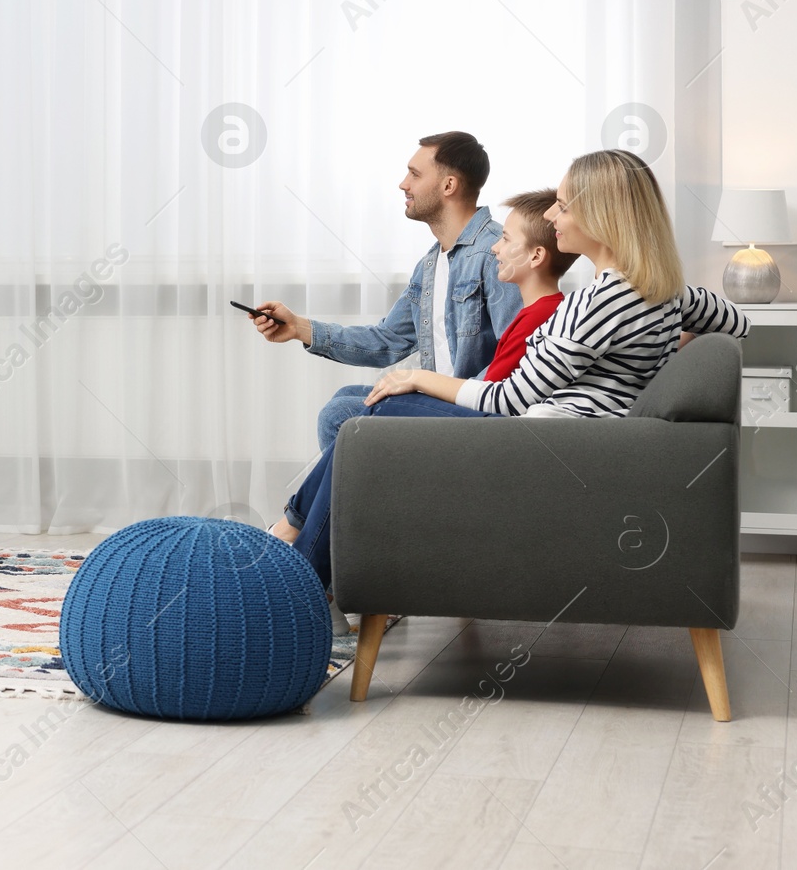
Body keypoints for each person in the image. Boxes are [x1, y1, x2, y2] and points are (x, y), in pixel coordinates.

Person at [280, 150, 749, 629]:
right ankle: (302, 565)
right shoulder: (662, 288)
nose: (552, 214)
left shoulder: (603, 300)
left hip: (539, 445)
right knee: (364, 415)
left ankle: (298, 578)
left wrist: (419, 377)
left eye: (563, 205)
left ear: (603, 215)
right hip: (560, 439)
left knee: (367, 421)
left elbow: (510, 399)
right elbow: (736, 321)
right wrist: (661, 353)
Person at [251, 132, 523, 451]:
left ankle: (326, 504)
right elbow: (387, 341)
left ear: (449, 186)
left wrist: (446, 391)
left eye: (415, 174)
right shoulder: (432, 264)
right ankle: (343, 502)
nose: (403, 184)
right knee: (346, 397)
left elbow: (516, 354)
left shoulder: (496, 252)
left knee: (339, 415)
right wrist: (299, 328)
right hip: (444, 400)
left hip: (473, 408)